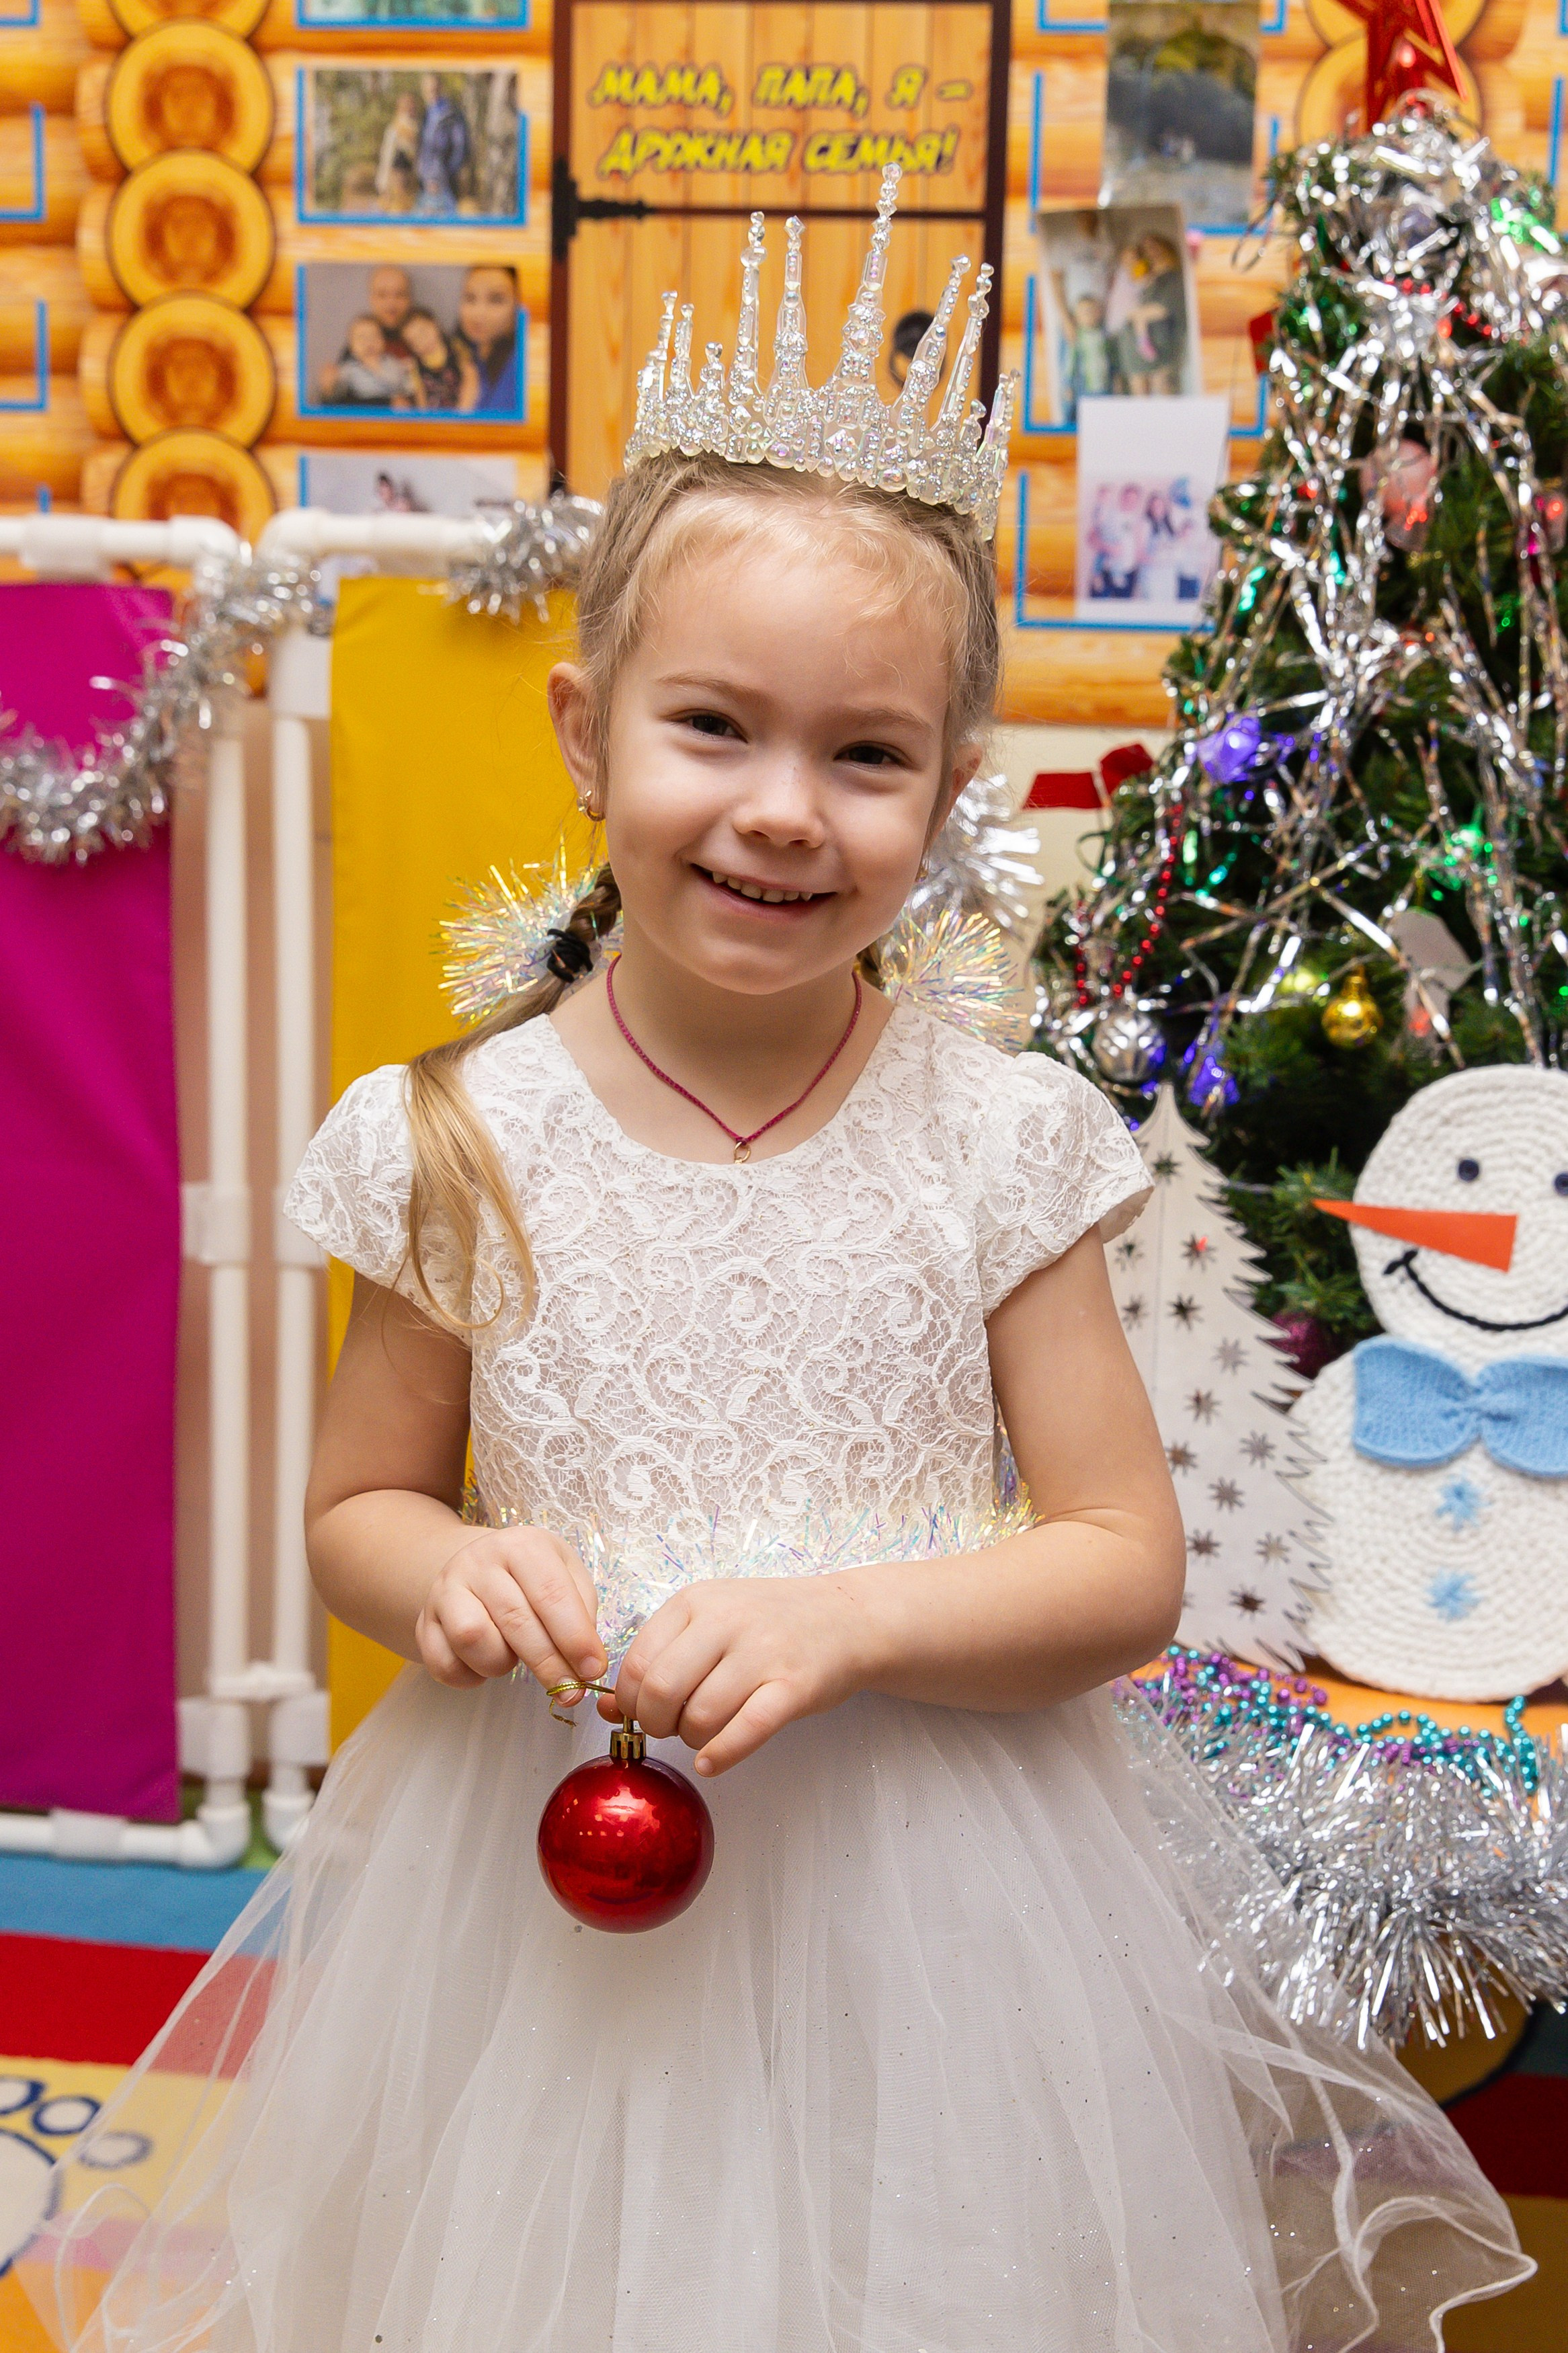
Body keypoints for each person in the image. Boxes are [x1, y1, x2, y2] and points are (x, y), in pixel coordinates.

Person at [23, 211, 1527, 2353]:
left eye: (866, 755)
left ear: (948, 792)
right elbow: (360, 1504)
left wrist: (851, 1616)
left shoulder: (998, 1142)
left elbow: (1118, 1560)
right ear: (583, 725)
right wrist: (440, 1575)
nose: (781, 812)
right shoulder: (456, 1131)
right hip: (543, 1898)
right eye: (713, 726)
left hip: (937, 1900)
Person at [454, 260, 518, 412]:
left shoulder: (518, 368)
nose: (478, 314)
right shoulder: (464, 354)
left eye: (496, 299)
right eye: (470, 298)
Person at [317, 313, 413, 405]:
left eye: (374, 336)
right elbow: (336, 396)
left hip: (394, 414)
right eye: (361, 337)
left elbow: (405, 384)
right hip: (365, 415)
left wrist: (409, 370)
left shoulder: (392, 361)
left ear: (383, 342)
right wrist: (329, 386)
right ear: (352, 347)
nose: (369, 342)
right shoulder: (349, 369)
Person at [415, 70, 470, 213]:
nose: (431, 92)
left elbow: (461, 147)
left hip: (446, 184)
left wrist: (446, 174)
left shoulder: (452, 114)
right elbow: (423, 148)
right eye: (428, 88)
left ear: (441, 88)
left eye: (434, 88)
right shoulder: (426, 113)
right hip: (425, 183)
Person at [397, 305, 467, 410]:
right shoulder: (417, 366)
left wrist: (464, 412)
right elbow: (421, 395)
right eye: (414, 342)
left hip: (462, 411)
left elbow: (471, 378)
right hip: (434, 419)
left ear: (435, 324)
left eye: (423, 332)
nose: (422, 342)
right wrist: (424, 420)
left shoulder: (456, 348)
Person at [375, 90, 423, 210]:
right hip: (397, 180)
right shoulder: (394, 129)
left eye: (412, 105)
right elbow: (387, 157)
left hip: (414, 181)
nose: (411, 108)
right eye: (407, 105)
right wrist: (383, 184)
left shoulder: (420, 128)